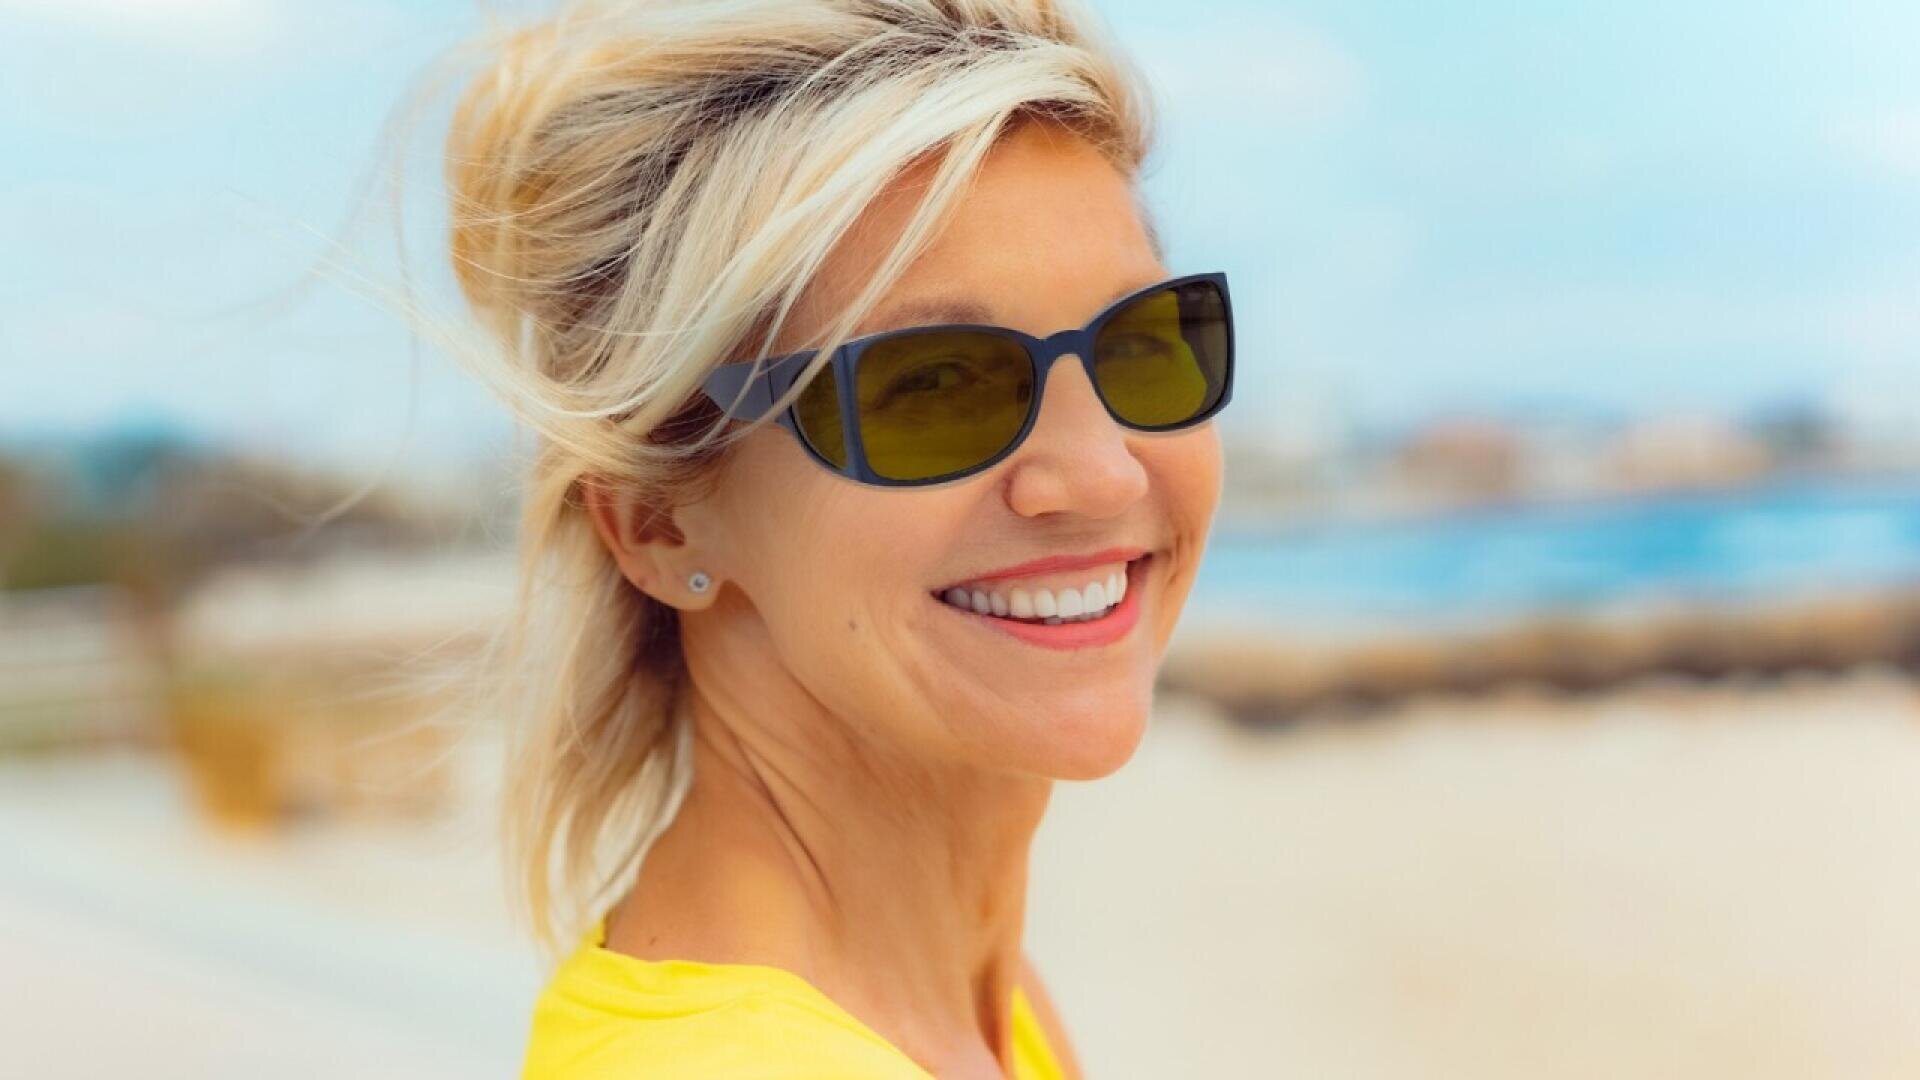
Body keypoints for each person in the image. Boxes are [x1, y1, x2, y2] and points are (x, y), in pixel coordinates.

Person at [436, 0, 1233, 1075]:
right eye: (932, 384)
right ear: (658, 524)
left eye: (1143, 345)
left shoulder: (961, 1004)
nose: (1100, 471)